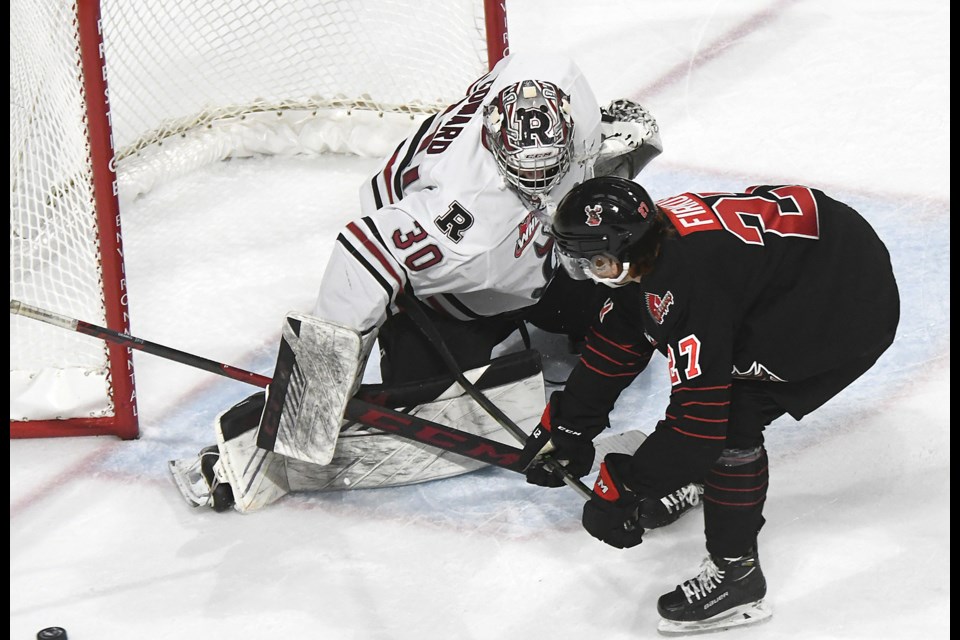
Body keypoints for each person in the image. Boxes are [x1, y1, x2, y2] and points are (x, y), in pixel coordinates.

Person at [171, 52, 695, 515]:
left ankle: (566, 326)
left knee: (626, 289)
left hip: (538, 269)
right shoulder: (461, 211)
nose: (540, 191)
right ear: (493, 144)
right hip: (448, 294)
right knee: (416, 384)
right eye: (526, 178)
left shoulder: (551, 79)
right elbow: (361, 253)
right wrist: (315, 399)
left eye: (551, 171)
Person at [520, 175, 899, 634]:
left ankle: (737, 578)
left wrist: (630, 486)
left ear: (617, 250)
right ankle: (697, 482)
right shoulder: (651, 247)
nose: (583, 271)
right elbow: (621, 336)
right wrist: (570, 428)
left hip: (845, 303)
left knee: (733, 418)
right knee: (677, 360)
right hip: (812, 257)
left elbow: (698, 429)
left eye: (589, 261)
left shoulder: (689, 287)